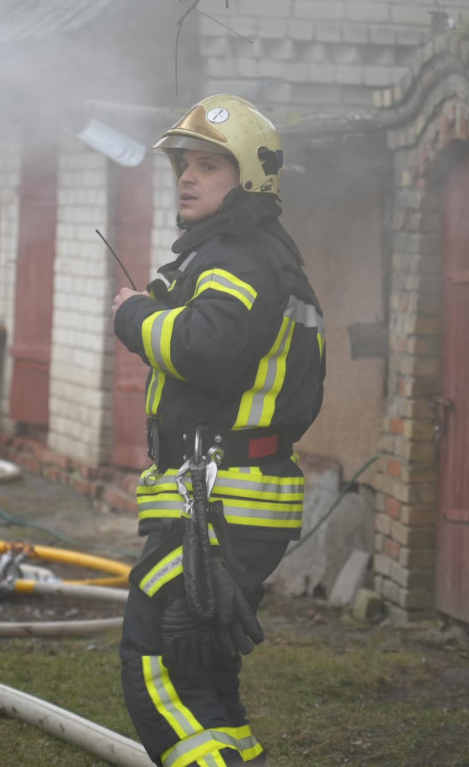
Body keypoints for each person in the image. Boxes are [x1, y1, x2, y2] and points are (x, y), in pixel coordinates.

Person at [111, 94, 326, 766]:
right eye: (183, 163)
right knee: (202, 671)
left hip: (216, 506)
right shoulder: (251, 255)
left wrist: (135, 316)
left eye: (208, 164)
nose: (186, 177)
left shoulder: (239, 258)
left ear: (250, 178)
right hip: (228, 501)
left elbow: (208, 348)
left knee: (155, 666)